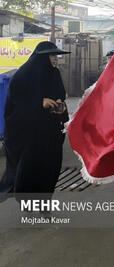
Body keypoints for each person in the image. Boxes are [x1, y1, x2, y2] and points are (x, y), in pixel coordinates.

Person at [0, 41, 70, 202]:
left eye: (55, 55)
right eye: (51, 55)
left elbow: (60, 93)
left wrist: (60, 104)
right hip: (29, 134)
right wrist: (39, 102)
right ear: (41, 58)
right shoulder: (23, 75)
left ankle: (45, 202)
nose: (55, 59)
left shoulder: (54, 73)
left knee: (51, 168)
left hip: (51, 131)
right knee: (30, 169)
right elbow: (15, 104)